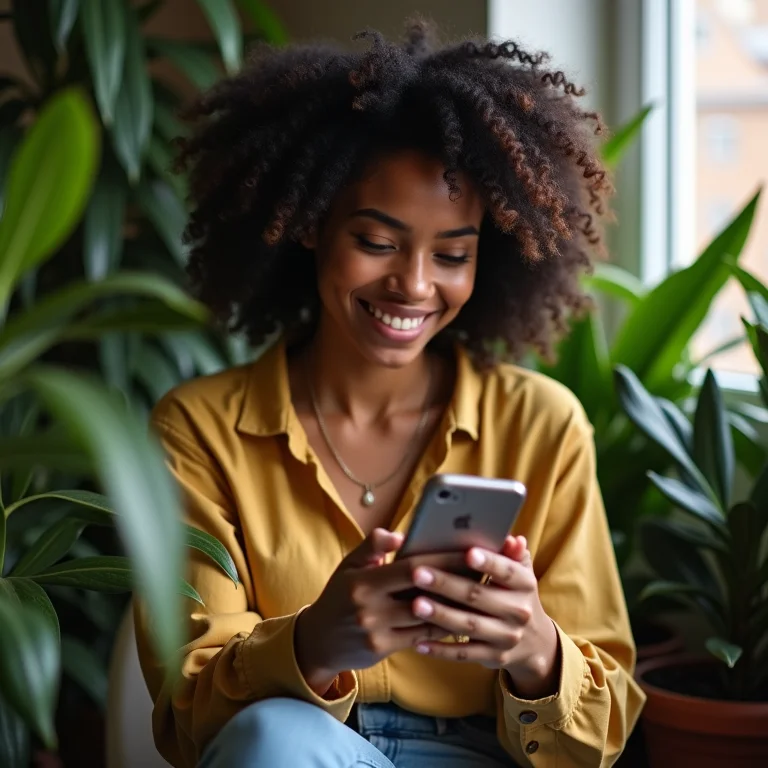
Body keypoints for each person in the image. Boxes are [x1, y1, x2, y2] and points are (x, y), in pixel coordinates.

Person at [134, 20, 645, 768]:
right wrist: (313, 644)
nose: (413, 284)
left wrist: (535, 647)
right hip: (301, 752)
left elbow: (603, 735)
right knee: (273, 742)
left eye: (452, 254)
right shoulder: (201, 430)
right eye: (376, 242)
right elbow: (188, 717)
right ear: (309, 225)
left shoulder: (541, 425)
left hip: (486, 753)